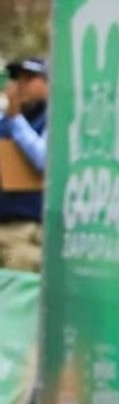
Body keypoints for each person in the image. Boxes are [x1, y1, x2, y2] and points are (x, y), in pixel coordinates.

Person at [0, 57, 49, 272]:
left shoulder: (53, 118)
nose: (20, 85)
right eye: (17, 79)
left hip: (32, 226)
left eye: (29, 78)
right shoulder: (6, 122)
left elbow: (44, 160)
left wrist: (16, 118)